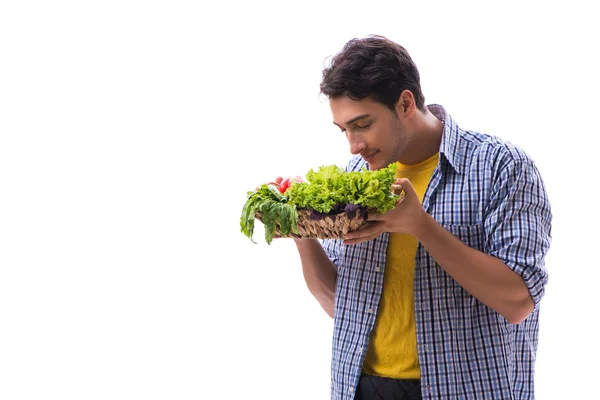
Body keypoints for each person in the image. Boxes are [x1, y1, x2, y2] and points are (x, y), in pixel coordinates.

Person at [282, 35, 552, 400]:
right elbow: (338, 302)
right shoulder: (357, 177)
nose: (353, 145)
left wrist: (420, 225)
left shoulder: (502, 167)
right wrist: (302, 229)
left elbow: (519, 300)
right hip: (359, 386)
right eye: (344, 129)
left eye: (362, 124)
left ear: (405, 103)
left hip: (464, 390)